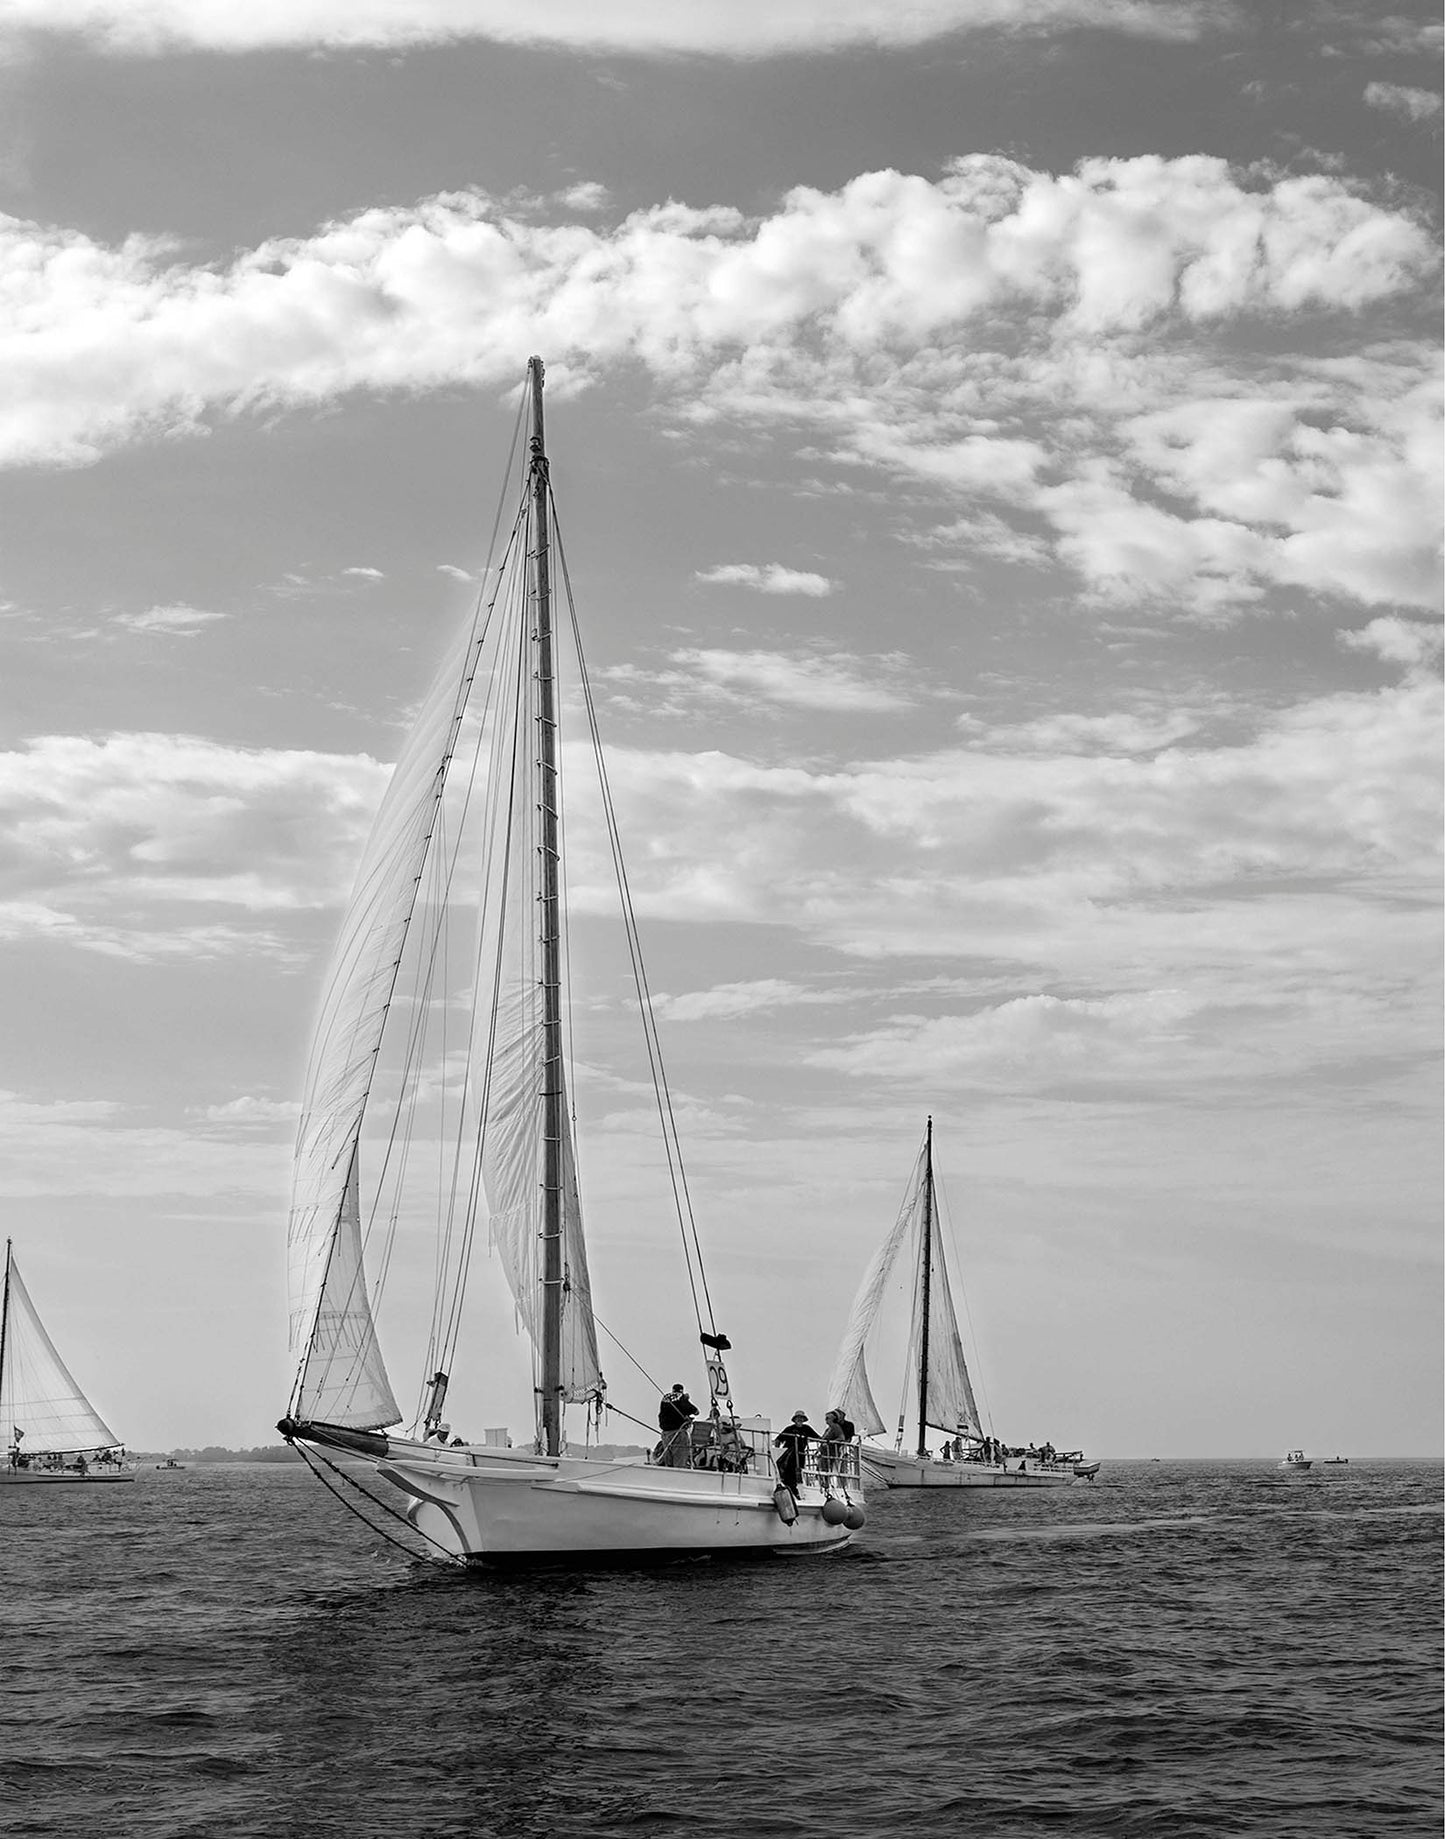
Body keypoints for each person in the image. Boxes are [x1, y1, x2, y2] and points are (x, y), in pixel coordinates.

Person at [773, 1411, 817, 1494]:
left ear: (804, 1420)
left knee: (799, 1469)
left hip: (800, 1453)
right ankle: (790, 1486)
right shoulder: (789, 1429)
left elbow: (817, 1437)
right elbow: (778, 1439)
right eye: (798, 1418)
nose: (800, 1419)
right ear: (795, 1419)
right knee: (789, 1470)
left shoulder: (807, 1429)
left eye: (801, 1418)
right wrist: (777, 1451)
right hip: (789, 1454)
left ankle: (797, 1487)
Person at [657, 1383, 698, 1468]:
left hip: (665, 1434)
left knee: (669, 1461)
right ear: (682, 1390)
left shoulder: (665, 1397)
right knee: (679, 1460)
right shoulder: (681, 1397)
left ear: (673, 1390)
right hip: (678, 1432)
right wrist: (686, 1400)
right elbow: (695, 1411)